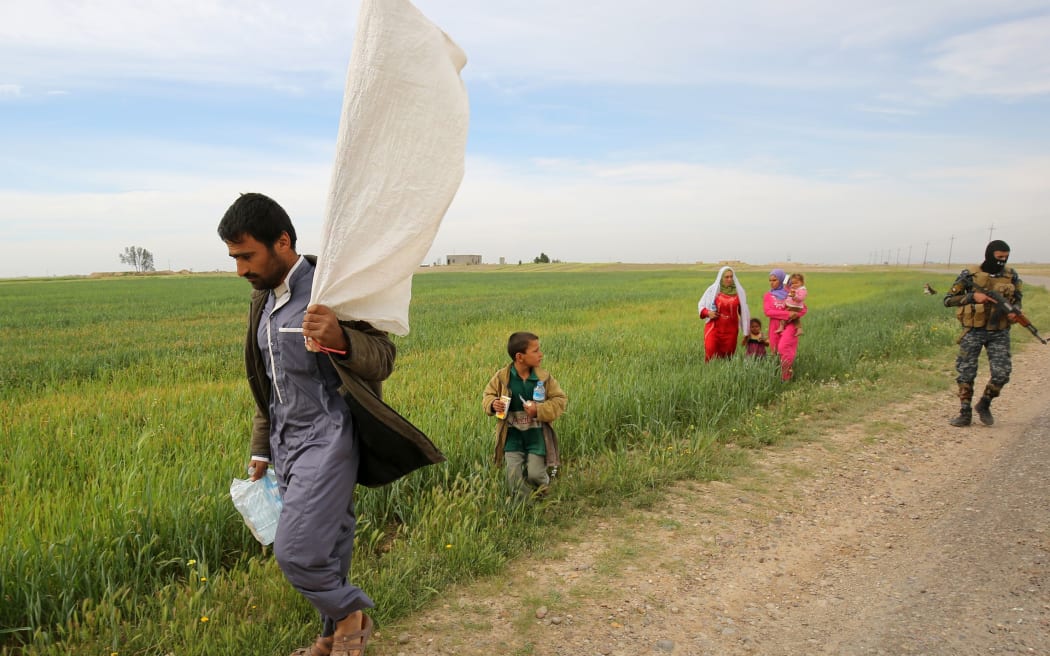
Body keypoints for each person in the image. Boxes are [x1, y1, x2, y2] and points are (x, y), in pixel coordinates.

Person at [218, 192, 444, 656]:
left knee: (296, 551)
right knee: (332, 544)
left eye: (246, 255)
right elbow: (270, 385)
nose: (240, 269)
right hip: (286, 443)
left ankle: (351, 613)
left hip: (330, 437)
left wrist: (340, 338)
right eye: (234, 257)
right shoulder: (262, 301)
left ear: (282, 241)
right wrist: (262, 449)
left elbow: (383, 357)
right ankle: (331, 639)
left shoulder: (332, 288)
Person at [943, 239, 1023, 427]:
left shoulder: (1012, 276)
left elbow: (1018, 300)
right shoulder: (969, 275)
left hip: (999, 331)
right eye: (999, 257)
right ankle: (965, 412)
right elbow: (948, 300)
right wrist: (972, 297)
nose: (1002, 261)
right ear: (989, 255)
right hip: (973, 331)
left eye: (1006, 257)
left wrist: (1015, 311)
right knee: (966, 373)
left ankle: (985, 403)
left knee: (1002, 373)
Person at [483, 332, 568, 500]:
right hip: (512, 437)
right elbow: (488, 395)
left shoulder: (543, 378)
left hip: (536, 436)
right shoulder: (502, 378)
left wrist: (539, 410)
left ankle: (544, 493)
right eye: (536, 351)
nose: (540, 354)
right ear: (520, 357)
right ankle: (528, 504)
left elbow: (560, 400)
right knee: (513, 478)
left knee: (535, 475)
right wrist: (493, 404)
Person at [697, 266, 751, 361]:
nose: (729, 279)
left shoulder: (739, 292)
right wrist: (708, 313)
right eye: (726, 277)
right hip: (714, 329)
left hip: (731, 331)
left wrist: (746, 332)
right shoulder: (713, 290)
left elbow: (744, 313)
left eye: (731, 277)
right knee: (710, 353)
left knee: (727, 358)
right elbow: (701, 305)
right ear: (721, 277)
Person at [763, 268, 807, 381]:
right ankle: (776, 376)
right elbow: (768, 312)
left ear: (781, 280)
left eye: (775, 280)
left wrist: (795, 315)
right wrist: (788, 313)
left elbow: (803, 309)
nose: (772, 283)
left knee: (784, 348)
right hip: (775, 326)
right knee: (775, 352)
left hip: (791, 325)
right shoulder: (768, 295)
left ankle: (786, 377)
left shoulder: (791, 292)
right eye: (770, 280)